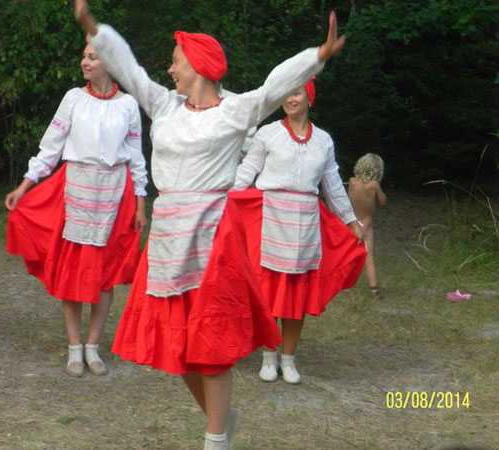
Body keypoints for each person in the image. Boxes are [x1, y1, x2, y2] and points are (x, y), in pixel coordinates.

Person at [75, 1, 344, 448]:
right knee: (175, 349)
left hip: (211, 240)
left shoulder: (234, 112)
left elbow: (275, 87)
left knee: (211, 345)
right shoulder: (165, 105)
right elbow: (129, 69)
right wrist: (92, 27)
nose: (170, 68)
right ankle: (220, 418)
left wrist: (317, 56)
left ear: (197, 67)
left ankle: (215, 439)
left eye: (176, 61)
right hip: (166, 241)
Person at [5, 39, 148, 377]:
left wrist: (141, 203)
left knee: (104, 274)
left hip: (115, 194)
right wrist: (25, 186)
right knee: (72, 272)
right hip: (77, 190)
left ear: (110, 64)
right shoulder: (73, 98)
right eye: (84, 55)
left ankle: (93, 345)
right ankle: (73, 346)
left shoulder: (128, 105)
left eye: (93, 57)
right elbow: (50, 148)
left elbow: (137, 156)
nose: (85, 62)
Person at [231, 78, 366, 384]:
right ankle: (268, 355)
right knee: (268, 292)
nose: (290, 99)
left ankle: (289, 358)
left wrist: (350, 220)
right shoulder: (268, 133)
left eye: (296, 93)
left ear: (310, 99)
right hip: (270, 219)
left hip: (305, 223)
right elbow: (246, 173)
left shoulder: (323, 141)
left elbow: (331, 184)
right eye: (285, 94)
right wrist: (222, 202)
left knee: (295, 295)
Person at [348, 153, 387, 298]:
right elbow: (383, 202)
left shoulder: (352, 182)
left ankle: (345, 284)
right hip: (367, 224)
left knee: (349, 254)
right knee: (368, 256)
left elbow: (348, 200)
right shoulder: (374, 185)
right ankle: (373, 289)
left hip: (352, 223)